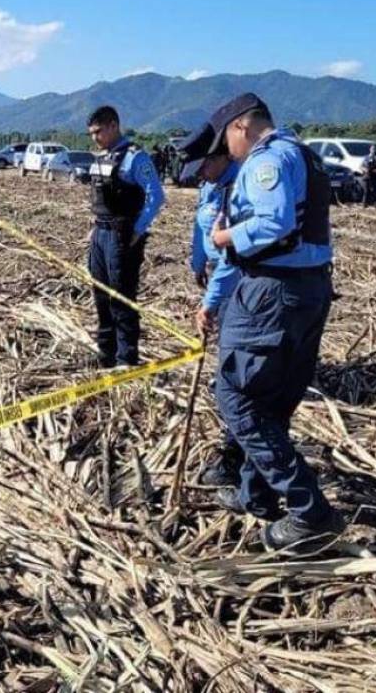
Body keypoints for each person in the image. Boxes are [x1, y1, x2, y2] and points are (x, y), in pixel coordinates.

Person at [206, 93, 345, 550]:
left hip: (272, 292)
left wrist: (225, 235)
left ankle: (310, 511)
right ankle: (257, 496)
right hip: (308, 288)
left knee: (236, 397)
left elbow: (273, 222)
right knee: (272, 397)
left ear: (240, 127)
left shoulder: (270, 159)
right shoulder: (304, 154)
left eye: (227, 139)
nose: (228, 152)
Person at [176, 122, 244, 488]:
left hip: (236, 279)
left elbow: (234, 261)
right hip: (216, 270)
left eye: (203, 166)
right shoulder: (210, 182)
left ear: (219, 156)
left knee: (233, 360)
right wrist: (196, 261)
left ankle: (234, 455)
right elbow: (199, 226)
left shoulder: (238, 186)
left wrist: (209, 302)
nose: (199, 175)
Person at [86, 106, 164, 368]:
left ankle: (125, 360)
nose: (95, 138)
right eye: (92, 134)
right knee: (101, 297)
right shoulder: (104, 157)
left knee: (121, 298)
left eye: (98, 132)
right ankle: (105, 356)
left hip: (122, 238)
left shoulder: (135, 158)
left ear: (113, 126)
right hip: (100, 234)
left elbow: (156, 196)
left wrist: (137, 230)